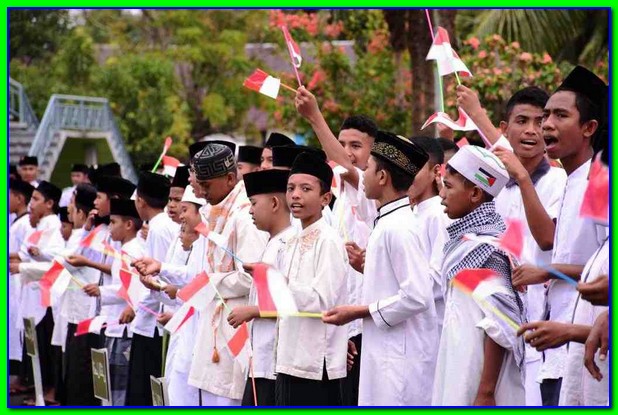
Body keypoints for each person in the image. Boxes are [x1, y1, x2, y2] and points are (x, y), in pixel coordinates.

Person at [458, 85, 568, 405]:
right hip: (491, 324)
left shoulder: (557, 183)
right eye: (522, 121)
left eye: (540, 121)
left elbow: (547, 239)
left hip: (536, 331)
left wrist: (521, 178)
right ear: (506, 129)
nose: (532, 130)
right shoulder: (496, 187)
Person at [507, 66, 607, 405]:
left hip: (587, 338)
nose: (545, 124)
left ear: (589, 128)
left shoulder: (600, 181)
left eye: (559, 115)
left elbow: (601, 273)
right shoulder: (574, 180)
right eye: (545, 114)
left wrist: (547, 272)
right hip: (558, 339)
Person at [323, 132, 438, 406]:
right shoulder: (387, 221)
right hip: (386, 351)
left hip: (400, 359)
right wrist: (368, 266)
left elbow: (418, 297)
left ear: (383, 177)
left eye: (368, 169)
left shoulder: (399, 227)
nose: (363, 175)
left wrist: (357, 311)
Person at [295, 88, 379, 405]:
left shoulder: (369, 195)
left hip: (361, 321)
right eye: (342, 144)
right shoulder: (336, 198)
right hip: (337, 321)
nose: (346, 152)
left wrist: (315, 117)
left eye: (356, 146)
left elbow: (347, 167)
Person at [432, 145, 525, 406]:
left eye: (448, 187)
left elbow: (500, 324)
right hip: (458, 360)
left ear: (474, 192)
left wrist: (485, 391)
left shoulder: (487, 249)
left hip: (477, 375)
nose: (441, 195)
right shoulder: (468, 242)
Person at [187, 143, 268, 405]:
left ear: (230, 178)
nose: (202, 192)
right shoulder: (219, 211)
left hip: (235, 322)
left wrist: (211, 283)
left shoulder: (246, 216)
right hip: (216, 322)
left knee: (228, 399)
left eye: (207, 185)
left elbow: (250, 274)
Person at [275, 151, 348, 406]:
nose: (295, 195)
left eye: (306, 189)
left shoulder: (328, 240)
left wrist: (278, 286)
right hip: (289, 356)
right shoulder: (291, 239)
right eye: (291, 188)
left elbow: (323, 302)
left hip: (316, 363)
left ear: (325, 198)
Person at [226, 169, 296, 406]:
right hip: (261, 362)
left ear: (275, 203)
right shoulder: (273, 242)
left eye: (254, 203)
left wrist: (253, 311)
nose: (251, 211)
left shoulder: (290, 243)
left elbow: (297, 301)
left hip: (276, 363)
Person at [126, 172, 178, 406]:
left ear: (140, 201)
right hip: (161, 315)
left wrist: (147, 278)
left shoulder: (158, 227)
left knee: (146, 393)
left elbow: (159, 275)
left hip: (156, 321)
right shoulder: (166, 225)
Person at [11, 181, 65, 405]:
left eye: (36, 199)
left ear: (50, 204)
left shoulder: (53, 226)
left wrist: (24, 265)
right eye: (31, 199)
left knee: (45, 347)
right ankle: (39, 390)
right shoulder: (38, 226)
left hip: (45, 298)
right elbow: (23, 255)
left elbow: (57, 261)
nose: (31, 204)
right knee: (35, 346)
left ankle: (48, 391)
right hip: (31, 294)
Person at [99, 198, 145, 405]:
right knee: (110, 382)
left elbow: (132, 289)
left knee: (119, 385)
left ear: (128, 224)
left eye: (113, 222)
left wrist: (99, 291)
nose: (109, 228)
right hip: (115, 322)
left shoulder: (134, 251)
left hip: (125, 327)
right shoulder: (124, 249)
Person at [407, 136, 452, 337]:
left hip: (434, 327)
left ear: (436, 171)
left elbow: (438, 278)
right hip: (413, 324)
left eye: (414, 167)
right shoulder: (412, 213)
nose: (406, 174)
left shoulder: (438, 214)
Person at [8, 179, 34, 394]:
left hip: (20, 280)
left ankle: (20, 376)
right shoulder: (16, 221)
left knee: (19, 328)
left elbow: (26, 253)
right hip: (13, 279)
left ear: (19, 198)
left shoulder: (25, 224)